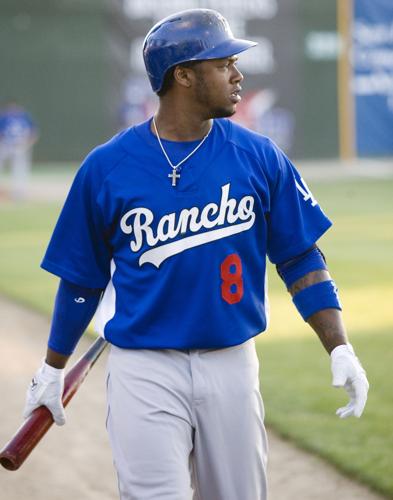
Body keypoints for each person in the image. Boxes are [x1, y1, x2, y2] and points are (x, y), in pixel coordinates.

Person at [23, 9, 369, 500]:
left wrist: (339, 346)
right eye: (223, 62)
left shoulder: (259, 156)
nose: (238, 74)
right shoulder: (106, 168)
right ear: (182, 76)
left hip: (232, 362)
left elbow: (301, 258)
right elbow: (82, 281)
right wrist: (53, 368)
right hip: (144, 369)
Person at [0, 101, 38, 200]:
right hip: (8, 145)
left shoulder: (23, 116)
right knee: (19, 169)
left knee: (19, 169)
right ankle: (18, 191)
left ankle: (19, 191)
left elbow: (33, 132)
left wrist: (27, 144)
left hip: (17, 146)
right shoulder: (6, 117)